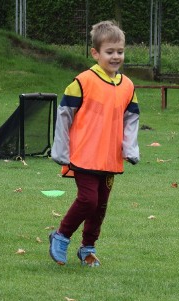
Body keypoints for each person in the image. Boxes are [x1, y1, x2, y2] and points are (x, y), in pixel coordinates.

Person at [49, 20, 140, 267]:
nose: (115, 56)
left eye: (120, 51)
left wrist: (130, 149)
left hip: (109, 159)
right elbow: (64, 115)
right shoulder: (82, 81)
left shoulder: (128, 86)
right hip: (84, 156)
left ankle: (87, 248)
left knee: (100, 206)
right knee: (88, 200)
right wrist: (61, 149)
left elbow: (132, 119)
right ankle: (61, 235)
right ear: (95, 53)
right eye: (109, 52)